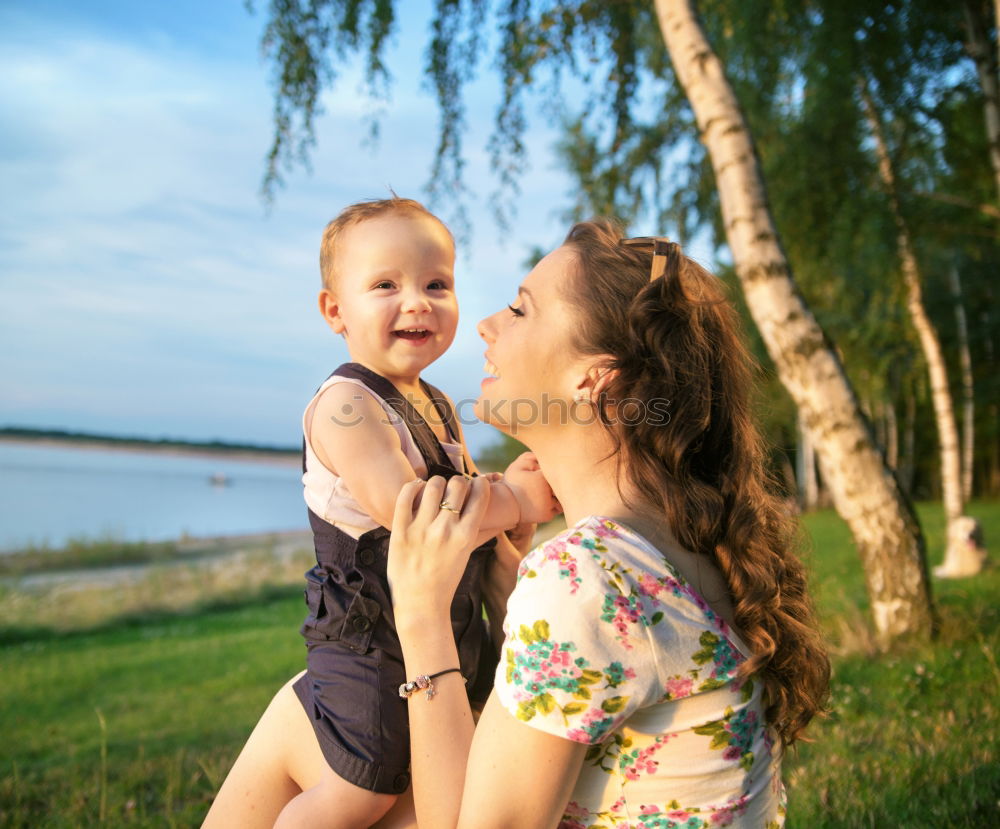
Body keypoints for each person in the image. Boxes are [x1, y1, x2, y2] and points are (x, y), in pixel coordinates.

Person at [384, 219, 831, 828]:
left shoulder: (584, 577)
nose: (486, 324)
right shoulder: (682, 535)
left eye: (520, 310)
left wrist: (420, 613)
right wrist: (502, 595)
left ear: (594, 377)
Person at [202, 197, 558, 829]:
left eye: (436, 284)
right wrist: (516, 500)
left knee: (428, 765)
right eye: (386, 285)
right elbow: (413, 514)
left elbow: (464, 499)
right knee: (362, 785)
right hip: (363, 636)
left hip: (436, 630)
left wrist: (502, 506)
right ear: (335, 311)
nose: (417, 301)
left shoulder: (441, 404)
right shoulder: (347, 403)